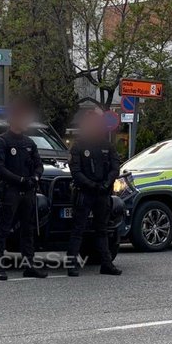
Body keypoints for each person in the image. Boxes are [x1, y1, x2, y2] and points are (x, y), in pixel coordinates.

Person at [0, 100, 48, 281]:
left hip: (28, 192)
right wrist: (19, 180)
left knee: (28, 229)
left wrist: (35, 178)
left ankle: (29, 264)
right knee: (4, 228)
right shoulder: (3, 141)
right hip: (10, 191)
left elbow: (39, 165)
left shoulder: (29, 142)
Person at [66, 107, 122, 277]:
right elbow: (75, 171)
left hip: (102, 193)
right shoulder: (79, 146)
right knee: (78, 229)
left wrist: (106, 183)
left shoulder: (107, 145)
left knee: (102, 230)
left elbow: (115, 167)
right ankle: (72, 264)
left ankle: (106, 263)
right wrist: (91, 184)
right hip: (85, 192)